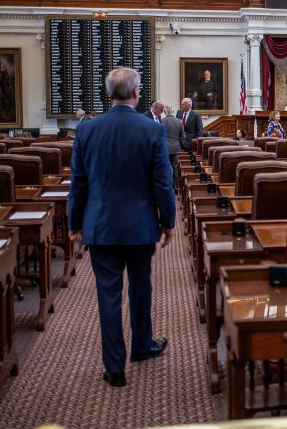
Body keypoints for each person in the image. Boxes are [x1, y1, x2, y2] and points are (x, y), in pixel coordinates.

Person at [68, 67, 175, 388]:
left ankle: (114, 367)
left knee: (108, 295)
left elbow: (78, 183)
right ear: (136, 93)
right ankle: (142, 346)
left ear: (108, 94)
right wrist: (169, 222)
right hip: (141, 225)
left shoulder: (87, 130)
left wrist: (74, 223)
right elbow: (163, 182)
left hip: (100, 226)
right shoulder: (151, 129)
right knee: (141, 287)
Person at [162, 105, 188, 191]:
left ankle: (167, 187)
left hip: (165, 149)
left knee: (165, 168)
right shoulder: (179, 122)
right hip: (176, 148)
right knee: (176, 169)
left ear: (164, 112)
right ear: (173, 112)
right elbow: (183, 136)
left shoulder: (161, 121)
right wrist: (183, 146)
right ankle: (176, 187)